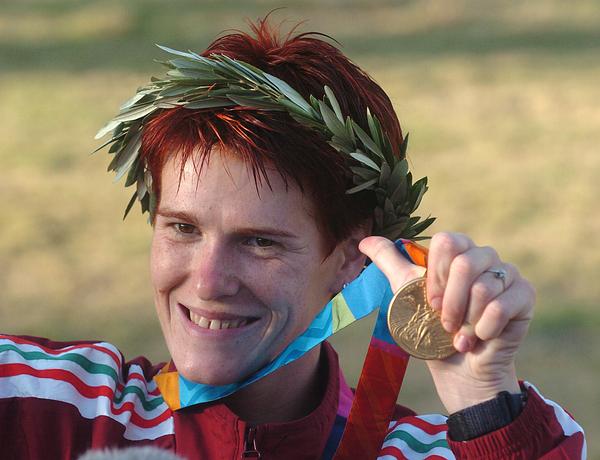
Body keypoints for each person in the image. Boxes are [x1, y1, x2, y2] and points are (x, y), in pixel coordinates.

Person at [0, 17, 585, 459]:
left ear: (352, 258)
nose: (208, 281)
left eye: (260, 242)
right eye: (183, 227)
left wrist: (485, 404)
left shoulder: (426, 451)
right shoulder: (53, 408)